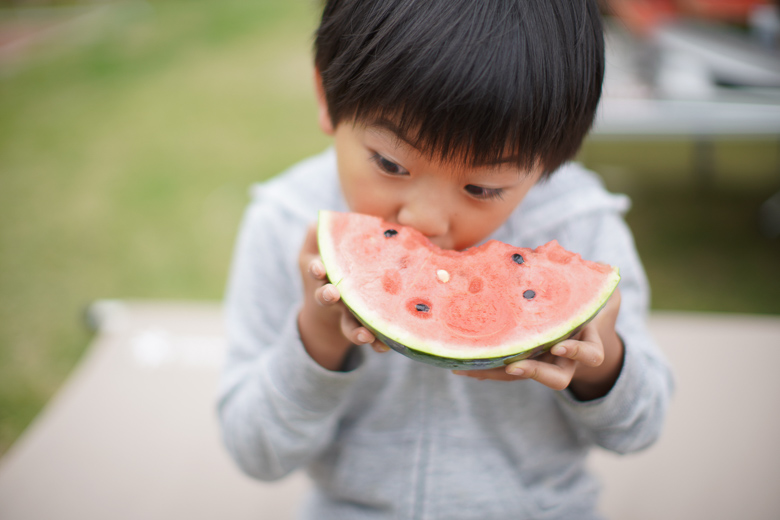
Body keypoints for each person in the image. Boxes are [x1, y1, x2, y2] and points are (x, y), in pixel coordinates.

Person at [218, 0, 674, 518]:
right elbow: (255, 453)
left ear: (553, 160)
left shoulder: (579, 226)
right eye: (390, 163)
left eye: (481, 187)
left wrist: (602, 362)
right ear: (327, 95)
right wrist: (315, 339)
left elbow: (641, 428)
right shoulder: (284, 222)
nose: (427, 219)